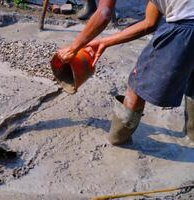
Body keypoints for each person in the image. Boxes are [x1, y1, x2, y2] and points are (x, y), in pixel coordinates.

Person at [58, 0, 194, 145]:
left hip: (186, 25)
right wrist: (105, 42)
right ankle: (191, 139)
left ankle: (118, 141)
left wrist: (73, 48)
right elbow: (149, 23)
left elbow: (104, 13)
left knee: (137, 86)